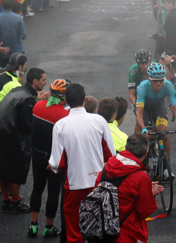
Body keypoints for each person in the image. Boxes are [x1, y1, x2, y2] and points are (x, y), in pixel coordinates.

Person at [0, 68, 49, 214]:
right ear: (35, 81)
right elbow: (26, 125)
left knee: (2, 169)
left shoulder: (19, 90)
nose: (45, 83)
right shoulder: (28, 99)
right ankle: (15, 203)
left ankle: (6, 200)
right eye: (43, 80)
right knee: (15, 169)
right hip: (9, 136)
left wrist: (36, 100)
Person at [48, 83, 114, 243]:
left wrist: (53, 165)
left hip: (73, 185)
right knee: (98, 228)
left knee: (74, 232)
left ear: (66, 101)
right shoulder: (99, 121)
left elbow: (56, 163)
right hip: (97, 183)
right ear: (84, 99)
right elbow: (110, 154)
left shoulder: (60, 125)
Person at [94, 134, 160, 243]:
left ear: (125, 147)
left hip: (101, 231)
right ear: (145, 153)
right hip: (127, 234)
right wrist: (150, 193)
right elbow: (144, 212)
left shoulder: (107, 167)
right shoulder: (141, 178)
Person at [29, 79, 70, 239]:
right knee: (53, 193)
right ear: (65, 98)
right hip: (53, 160)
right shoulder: (64, 116)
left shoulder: (37, 106)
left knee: (37, 188)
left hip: (37, 155)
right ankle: (48, 227)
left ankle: (33, 226)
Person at [134, 63, 176, 159]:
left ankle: (166, 165)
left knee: (163, 132)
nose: (158, 83)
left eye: (161, 80)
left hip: (158, 106)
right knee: (148, 136)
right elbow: (139, 113)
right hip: (145, 108)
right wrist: (143, 128)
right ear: (149, 80)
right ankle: (141, 159)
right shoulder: (143, 87)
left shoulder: (168, 86)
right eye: (155, 81)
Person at [0, 53, 27, 126]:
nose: (25, 67)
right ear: (20, 67)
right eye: (25, 65)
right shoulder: (14, 85)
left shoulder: (0, 77)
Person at [0, 0, 27, 68]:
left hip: (2, 53)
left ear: (2, 6)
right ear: (12, 5)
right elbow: (23, 36)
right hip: (17, 51)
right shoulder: (18, 18)